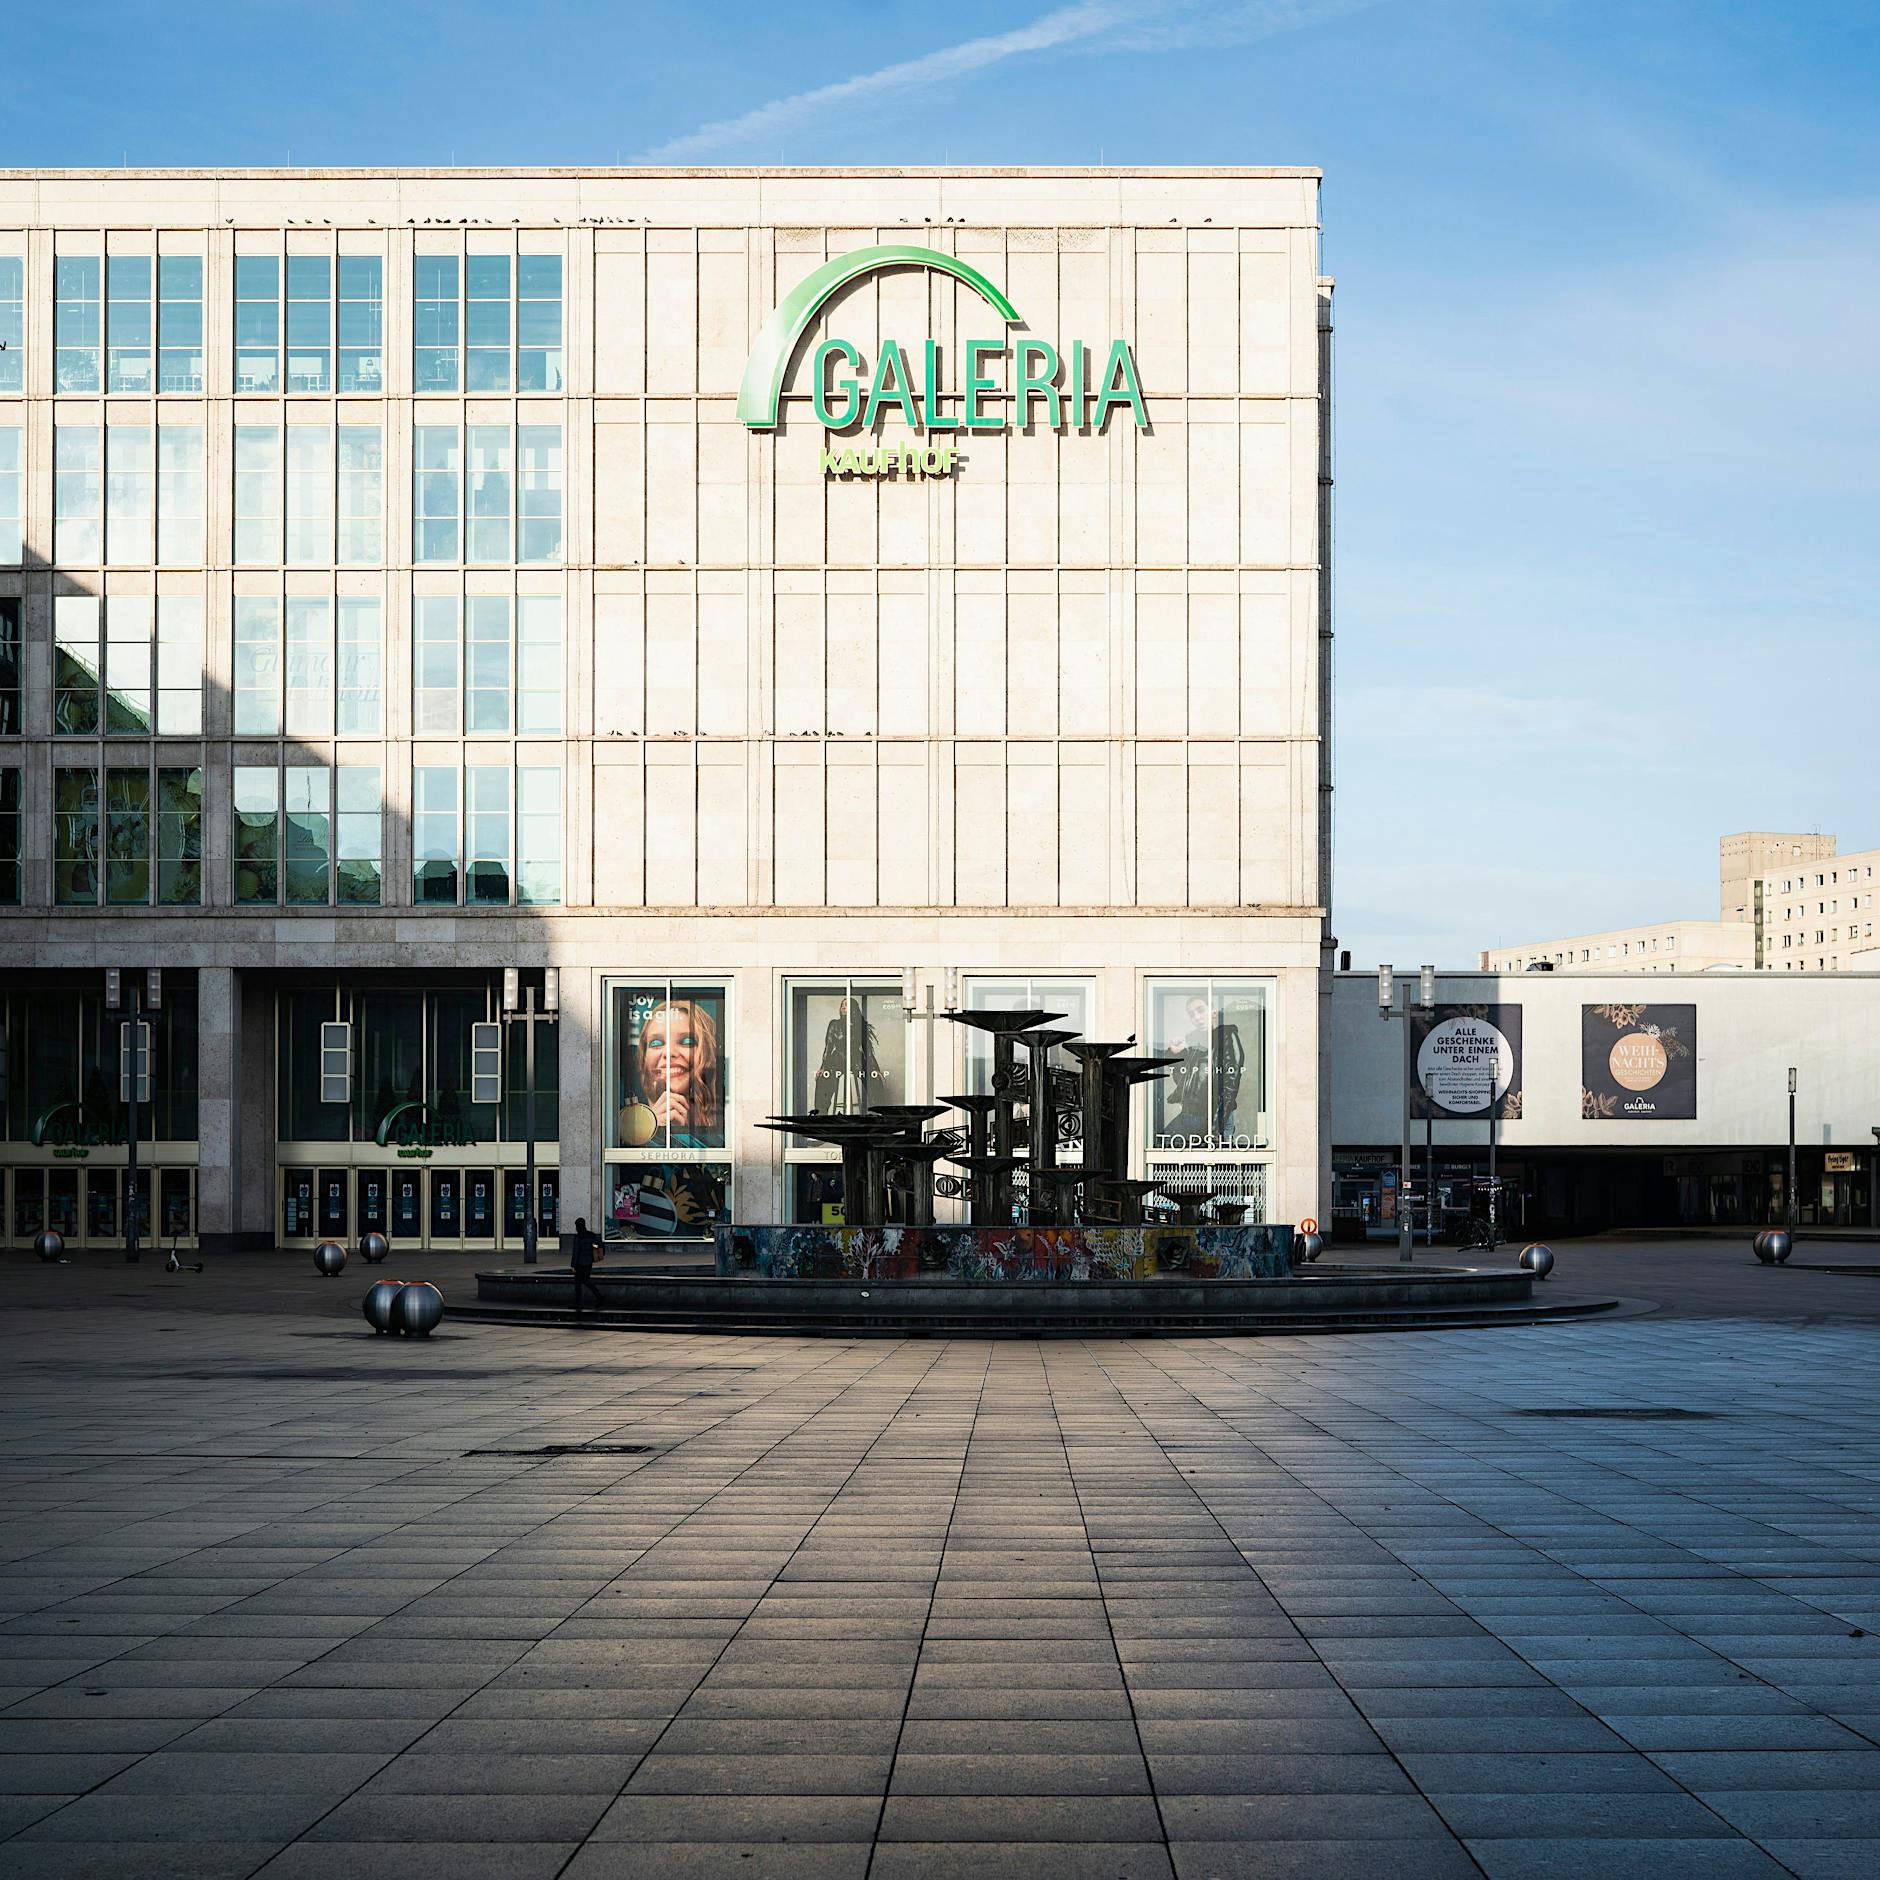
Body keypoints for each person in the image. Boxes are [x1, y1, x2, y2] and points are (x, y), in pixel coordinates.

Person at [624, 998, 725, 1147]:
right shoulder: (628, 1124)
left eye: (687, 1041)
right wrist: (652, 1130)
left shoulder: (729, 1119)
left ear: (709, 1051)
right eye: (656, 1043)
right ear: (642, 1059)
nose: (669, 1053)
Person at [569, 1215, 604, 1319]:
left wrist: (573, 1265)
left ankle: (580, 1302)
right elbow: (598, 1245)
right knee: (586, 1280)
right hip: (589, 1262)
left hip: (580, 1263)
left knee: (578, 1283)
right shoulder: (591, 1235)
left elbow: (576, 1252)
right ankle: (598, 1297)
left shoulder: (578, 1237)